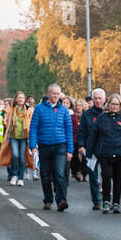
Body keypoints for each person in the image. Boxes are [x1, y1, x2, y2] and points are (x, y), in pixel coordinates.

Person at [89, 93, 121, 214]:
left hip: (120, 153)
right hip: (104, 152)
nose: (114, 106)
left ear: (120, 105)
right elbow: (93, 135)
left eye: (117, 104)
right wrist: (89, 151)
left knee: (117, 179)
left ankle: (116, 202)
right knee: (106, 175)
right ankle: (106, 201)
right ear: (108, 104)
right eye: (112, 104)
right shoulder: (101, 118)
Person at [28, 83, 73, 211]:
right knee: (45, 174)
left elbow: (69, 130)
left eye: (58, 94)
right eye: (53, 93)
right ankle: (48, 200)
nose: (55, 96)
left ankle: (61, 200)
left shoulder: (64, 110)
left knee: (60, 173)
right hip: (45, 145)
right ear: (49, 94)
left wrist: (70, 150)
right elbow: (34, 128)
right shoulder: (39, 108)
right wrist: (33, 146)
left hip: (60, 146)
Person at [77, 88, 106, 209]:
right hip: (92, 150)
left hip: (106, 150)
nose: (98, 101)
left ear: (104, 99)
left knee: (107, 176)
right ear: (92, 100)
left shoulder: (108, 113)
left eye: (100, 98)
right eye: (96, 98)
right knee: (93, 177)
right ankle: (96, 201)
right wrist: (81, 146)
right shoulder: (87, 114)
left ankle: (107, 199)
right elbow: (82, 131)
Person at [1, 92, 30, 185]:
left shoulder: (28, 110)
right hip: (13, 136)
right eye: (19, 98)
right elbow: (6, 120)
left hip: (24, 137)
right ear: (16, 99)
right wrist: (5, 121)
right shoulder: (11, 110)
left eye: (22, 98)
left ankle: (21, 178)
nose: (21, 99)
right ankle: (14, 175)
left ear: (25, 100)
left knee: (22, 157)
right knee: (15, 155)